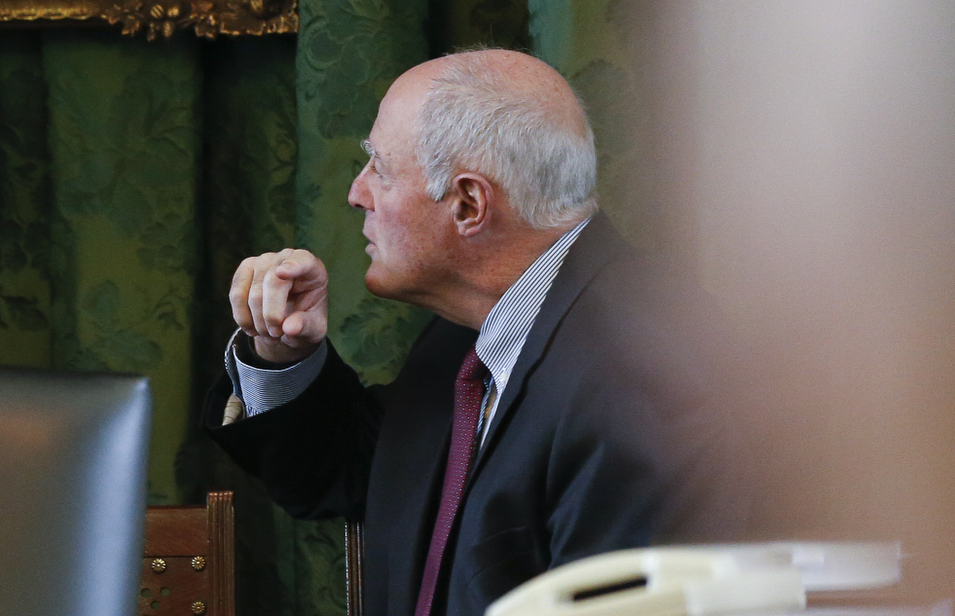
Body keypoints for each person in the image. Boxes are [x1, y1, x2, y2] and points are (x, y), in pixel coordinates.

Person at [205, 50, 740, 616]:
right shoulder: (467, 333)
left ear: (467, 204)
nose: (356, 193)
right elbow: (348, 475)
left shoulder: (642, 373)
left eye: (379, 168)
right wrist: (283, 351)